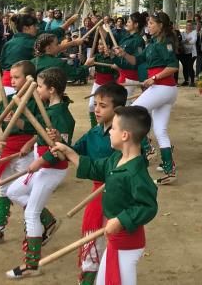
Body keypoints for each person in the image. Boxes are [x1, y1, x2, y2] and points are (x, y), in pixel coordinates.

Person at [55, 105, 158, 285]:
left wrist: (120, 220)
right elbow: (95, 167)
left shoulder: (136, 173)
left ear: (125, 135)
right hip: (115, 239)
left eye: (113, 128)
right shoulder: (116, 159)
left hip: (128, 243)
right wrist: (69, 152)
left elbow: (148, 206)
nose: (109, 132)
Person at [5, 67, 76, 278]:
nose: (36, 89)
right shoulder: (49, 109)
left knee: (31, 213)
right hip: (42, 166)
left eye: (40, 86)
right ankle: (50, 221)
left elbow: (61, 151)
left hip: (52, 169)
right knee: (13, 192)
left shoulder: (63, 115)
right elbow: (37, 130)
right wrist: (28, 140)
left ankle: (32, 264)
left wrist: (40, 162)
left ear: (52, 90)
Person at [68, 82, 129, 285]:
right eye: (95, 104)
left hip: (116, 197)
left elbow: (131, 164)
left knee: (109, 245)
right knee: (94, 244)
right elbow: (75, 151)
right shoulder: (94, 133)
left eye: (103, 105)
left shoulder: (127, 136)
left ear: (117, 110)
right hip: (97, 194)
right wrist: (60, 145)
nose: (96, 109)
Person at [0, 60, 38, 250]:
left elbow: (42, 129)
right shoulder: (8, 99)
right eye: (11, 77)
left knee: (24, 192)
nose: (12, 81)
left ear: (29, 79)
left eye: (16, 77)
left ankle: (36, 227)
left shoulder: (36, 100)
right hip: (7, 149)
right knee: (3, 189)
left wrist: (28, 141)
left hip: (24, 151)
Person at [129, 12, 180, 185]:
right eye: (148, 23)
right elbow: (135, 60)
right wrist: (121, 53)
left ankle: (147, 147)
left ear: (160, 25)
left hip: (163, 87)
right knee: (160, 131)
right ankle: (169, 170)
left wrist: (154, 78)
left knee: (132, 112)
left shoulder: (165, 42)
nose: (148, 26)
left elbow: (173, 66)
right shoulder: (151, 43)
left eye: (151, 23)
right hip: (163, 89)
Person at [85, 34, 119, 128]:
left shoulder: (113, 58)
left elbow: (121, 71)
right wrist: (87, 63)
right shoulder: (97, 57)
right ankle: (94, 128)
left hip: (109, 85)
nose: (99, 46)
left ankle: (111, 126)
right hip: (97, 83)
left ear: (108, 46)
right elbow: (85, 65)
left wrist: (117, 68)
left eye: (101, 44)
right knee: (91, 106)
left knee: (109, 107)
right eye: (98, 44)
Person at [0, 13, 39, 92]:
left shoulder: (9, 43)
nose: (37, 28)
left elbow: (2, 63)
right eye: (34, 26)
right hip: (24, 83)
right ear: (26, 28)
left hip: (6, 83)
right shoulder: (34, 43)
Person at [113, 13, 148, 85]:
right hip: (122, 73)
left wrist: (123, 55)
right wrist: (112, 55)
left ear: (136, 24)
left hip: (130, 77)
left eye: (129, 22)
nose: (126, 24)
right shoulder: (126, 37)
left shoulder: (139, 40)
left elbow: (138, 60)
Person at [180, 20, 197, 87]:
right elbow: (181, 41)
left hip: (192, 53)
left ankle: (192, 81)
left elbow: (193, 41)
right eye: (188, 25)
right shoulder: (183, 33)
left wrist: (186, 41)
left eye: (190, 25)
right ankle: (186, 80)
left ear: (192, 26)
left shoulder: (194, 32)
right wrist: (186, 41)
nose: (189, 26)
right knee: (185, 66)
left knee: (190, 66)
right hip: (184, 52)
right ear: (186, 26)